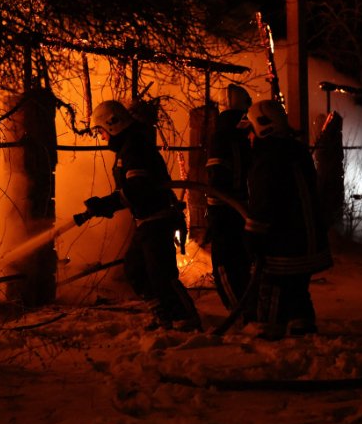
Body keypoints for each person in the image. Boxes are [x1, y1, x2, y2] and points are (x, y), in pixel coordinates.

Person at [84, 100, 201, 332]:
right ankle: (163, 314)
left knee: (161, 274)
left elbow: (139, 189)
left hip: (158, 218)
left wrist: (106, 204)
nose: (102, 137)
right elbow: (132, 189)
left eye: (101, 131)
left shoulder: (134, 148)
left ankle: (185, 317)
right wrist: (105, 205)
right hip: (147, 220)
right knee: (135, 269)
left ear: (113, 124)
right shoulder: (129, 146)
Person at [244, 99, 333, 340]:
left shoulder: (268, 159)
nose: (249, 137)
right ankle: (302, 325)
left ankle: (269, 330)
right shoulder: (296, 151)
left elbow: (263, 202)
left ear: (262, 127)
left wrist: (253, 235)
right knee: (297, 287)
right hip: (308, 239)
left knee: (274, 286)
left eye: (251, 130)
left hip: (285, 243)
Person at [204, 85, 253, 314]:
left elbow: (217, 177)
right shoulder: (246, 135)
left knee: (224, 264)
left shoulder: (221, 136)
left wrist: (214, 214)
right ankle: (249, 309)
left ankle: (240, 312)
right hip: (245, 209)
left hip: (225, 211)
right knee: (242, 262)